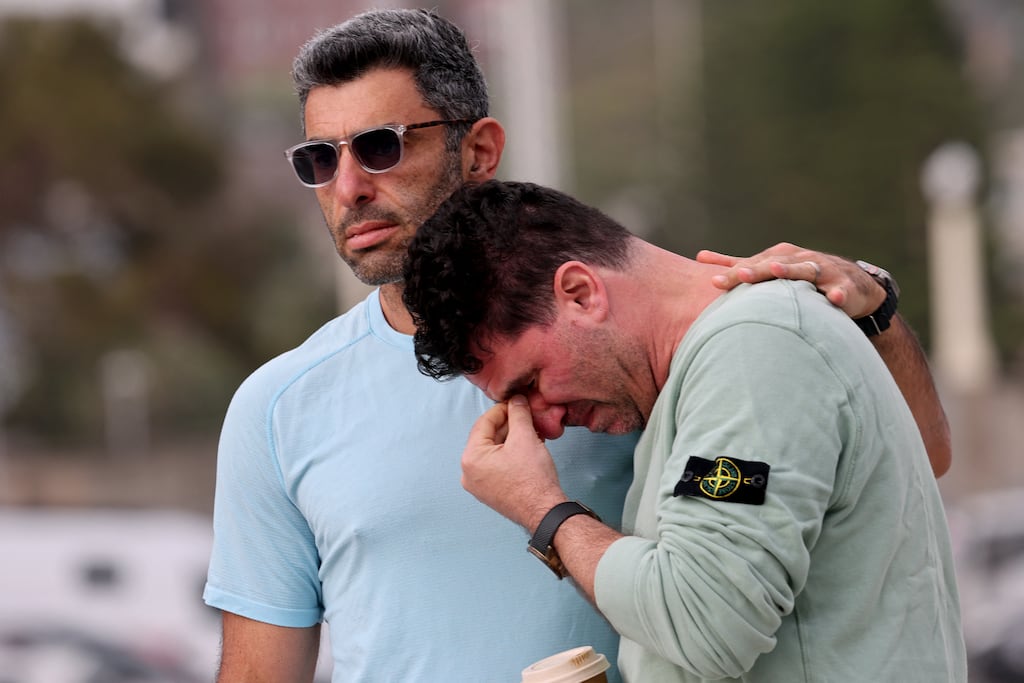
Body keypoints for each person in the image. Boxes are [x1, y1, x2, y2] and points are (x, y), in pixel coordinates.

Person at [203, 8, 952, 682]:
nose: (349, 186)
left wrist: (874, 314)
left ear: (480, 149)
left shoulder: (663, 344)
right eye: (319, 160)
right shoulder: (278, 408)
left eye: (379, 146)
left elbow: (913, 455)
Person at [401, 179, 967, 682]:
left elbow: (707, 625)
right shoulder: (720, 360)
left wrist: (544, 510)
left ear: (580, 292)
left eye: (532, 384)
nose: (545, 424)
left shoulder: (752, 350)